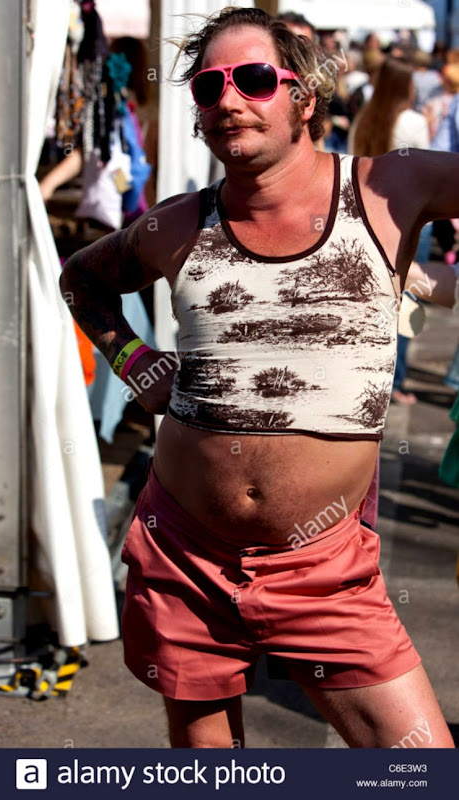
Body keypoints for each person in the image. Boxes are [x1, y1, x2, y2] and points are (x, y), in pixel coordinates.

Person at [60, 7, 458, 748]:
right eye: (208, 86)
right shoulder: (179, 224)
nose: (228, 100)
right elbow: (81, 280)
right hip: (181, 551)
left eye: (251, 78)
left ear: (304, 96)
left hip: (323, 567)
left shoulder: (386, 187)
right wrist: (134, 362)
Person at [349, 56, 430, 405]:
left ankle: (366, 376)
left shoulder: (364, 119)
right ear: (404, 87)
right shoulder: (413, 121)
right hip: (410, 219)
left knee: (369, 300)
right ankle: (395, 382)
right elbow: (427, 171)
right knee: (406, 301)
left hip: (367, 217)